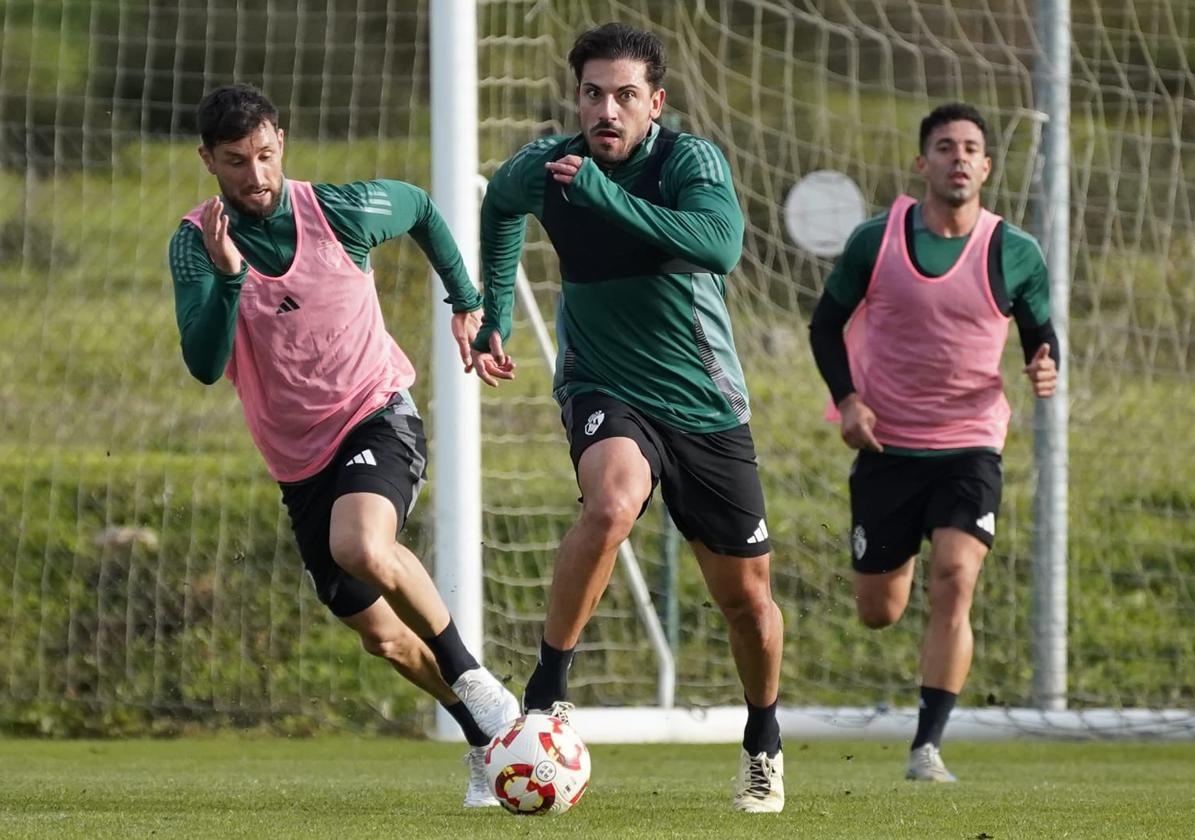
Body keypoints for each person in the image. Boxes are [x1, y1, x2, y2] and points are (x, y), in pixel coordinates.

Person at [168, 84, 519, 807]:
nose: (256, 176)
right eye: (236, 161)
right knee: (383, 639)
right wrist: (230, 279)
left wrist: (466, 301)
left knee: (361, 544)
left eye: (266, 155)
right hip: (299, 464)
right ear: (208, 159)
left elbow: (420, 207)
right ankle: (484, 740)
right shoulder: (196, 243)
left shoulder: (338, 210)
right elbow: (205, 365)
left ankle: (476, 680)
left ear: (282, 143)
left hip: (376, 412)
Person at [470, 24, 785, 813]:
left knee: (746, 601)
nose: (605, 110)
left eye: (624, 96)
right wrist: (493, 312)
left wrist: (606, 198)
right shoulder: (546, 164)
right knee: (610, 504)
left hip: (704, 403)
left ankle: (763, 739)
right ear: (575, 95)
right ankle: (547, 692)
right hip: (602, 383)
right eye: (592, 93)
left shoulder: (690, 162)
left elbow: (721, 244)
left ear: (656, 102)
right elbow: (502, 208)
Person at [808, 102, 1060, 782]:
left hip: (971, 445)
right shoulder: (875, 240)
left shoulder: (1015, 251)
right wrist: (848, 402)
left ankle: (927, 747)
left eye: (970, 147)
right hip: (887, 449)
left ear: (986, 165)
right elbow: (824, 327)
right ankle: (895, 563)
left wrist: (1044, 362)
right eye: (944, 146)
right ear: (923, 163)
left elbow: (1041, 333)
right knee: (879, 612)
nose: (958, 157)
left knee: (956, 578)